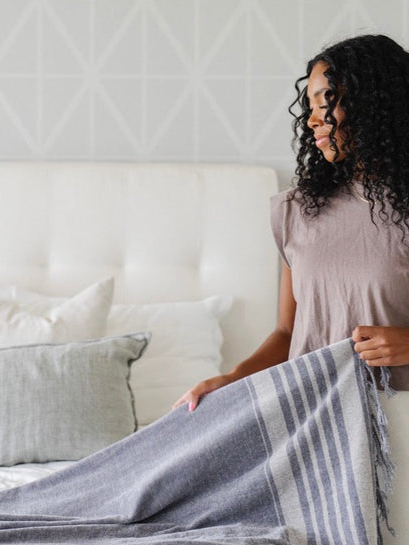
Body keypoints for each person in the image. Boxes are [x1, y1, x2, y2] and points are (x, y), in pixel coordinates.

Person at [174, 33, 409, 412]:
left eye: (326, 103)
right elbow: (288, 333)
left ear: (374, 105)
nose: (313, 120)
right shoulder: (299, 210)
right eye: (310, 106)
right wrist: (232, 380)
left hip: (397, 426)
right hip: (309, 420)